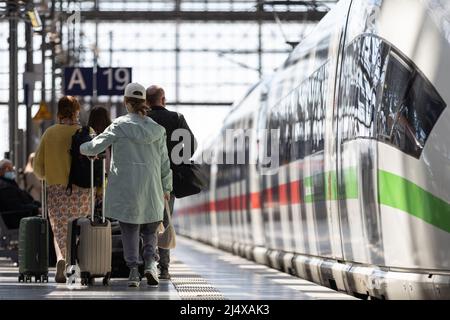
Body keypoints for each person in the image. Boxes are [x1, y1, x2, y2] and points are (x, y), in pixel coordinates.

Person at [80, 83, 172, 288]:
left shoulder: (119, 126)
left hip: (126, 189)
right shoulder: (158, 130)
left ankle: (133, 271)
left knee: (129, 229)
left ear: (126, 102)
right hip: (152, 188)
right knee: (150, 230)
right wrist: (166, 187)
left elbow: (95, 146)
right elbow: (165, 163)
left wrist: (82, 146)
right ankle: (150, 263)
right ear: (144, 103)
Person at [33, 96, 92, 283]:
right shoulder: (87, 131)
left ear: (59, 112)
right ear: (77, 110)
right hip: (82, 189)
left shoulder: (49, 133)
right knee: (79, 228)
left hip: (57, 189)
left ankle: (60, 259)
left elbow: (37, 168)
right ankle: (74, 267)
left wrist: (47, 176)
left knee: (59, 229)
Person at [146, 85, 197, 280]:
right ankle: (164, 268)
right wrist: (177, 160)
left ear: (146, 101)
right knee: (164, 221)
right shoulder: (176, 119)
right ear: (163, 99)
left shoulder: (142, 120)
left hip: (145, 177)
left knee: (144, 221)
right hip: (170, 178)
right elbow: (191, 144)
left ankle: (146, 263)